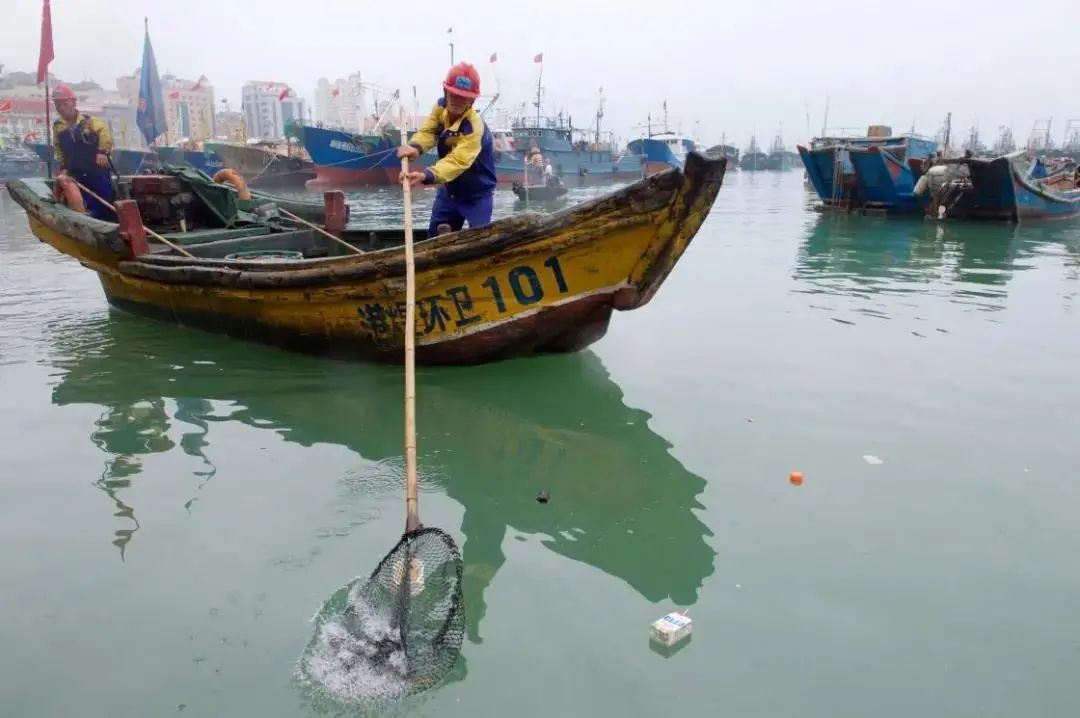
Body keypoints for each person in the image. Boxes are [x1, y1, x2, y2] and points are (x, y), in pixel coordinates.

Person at [397, 63, 496, 236]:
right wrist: (415, 148)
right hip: (450, 190)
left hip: (477, 195)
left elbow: (458, 161)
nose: (456, 100)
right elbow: (429, 132)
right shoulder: (440, 108)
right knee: (434, 240)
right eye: (453, 94)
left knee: (480, 241)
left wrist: (426, 175)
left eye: (463, 97)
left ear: (471, 101)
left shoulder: (474, 127)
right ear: (446, 92)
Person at [51, 83, 115, 220]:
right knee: (86, 202)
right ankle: (90, 221)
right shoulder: (58, 127)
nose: (61, 108)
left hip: (97, 171)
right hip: (77, 174)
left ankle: (108, 223)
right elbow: (58, 148)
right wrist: (63, 168)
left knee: (105, 199)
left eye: (64, 103)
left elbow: (105, 133)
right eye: (58, 105)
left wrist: (102, 152)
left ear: (73, 103)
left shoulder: (89, 121)